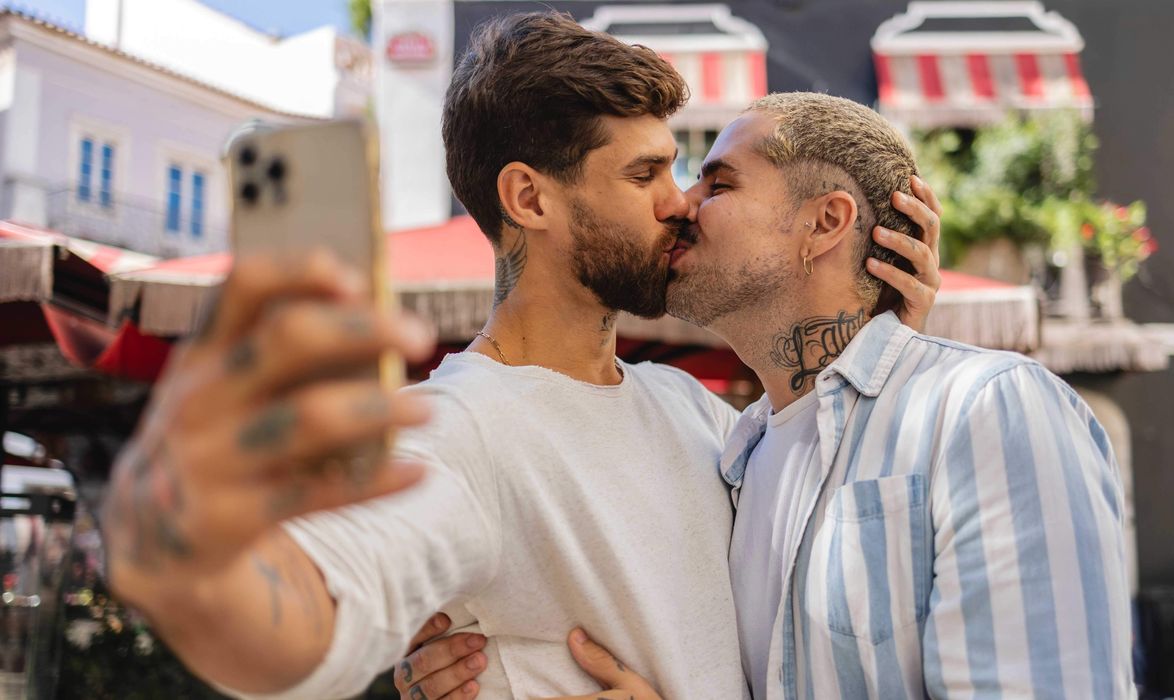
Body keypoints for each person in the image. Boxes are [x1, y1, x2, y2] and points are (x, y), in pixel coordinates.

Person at [99, 14, 942, 700]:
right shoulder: (456, 430)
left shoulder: (686, 407)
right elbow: (312, 616)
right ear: (529, 197)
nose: (679, 201)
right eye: (645, 173)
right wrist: (186, 560)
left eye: (677, 169)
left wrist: (878, 328)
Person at [414, 93, 1134, 698]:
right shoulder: (729, 453)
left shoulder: (985, 410)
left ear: (825, 222)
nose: (680, 205)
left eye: (717, 183)